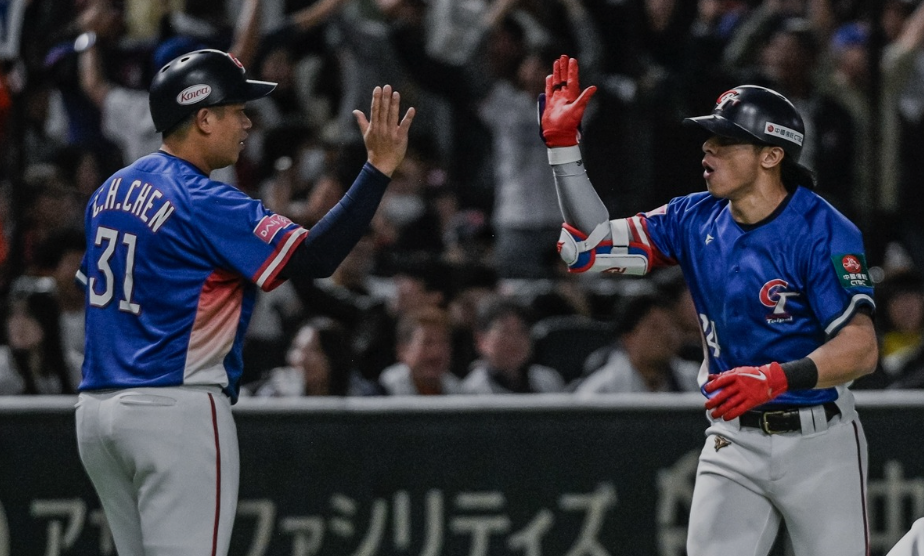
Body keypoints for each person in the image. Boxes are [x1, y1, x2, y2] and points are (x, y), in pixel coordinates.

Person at [74, 49, 414, 555]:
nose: (248, 122)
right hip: (174, 408)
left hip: (96, 413)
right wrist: (377, 171)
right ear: (203, 117)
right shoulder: (203, 199)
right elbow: (316, 257)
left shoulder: (109, 191)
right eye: (236, 110)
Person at [539, 55, 877, 555]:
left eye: (726, 140)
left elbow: (861, 349)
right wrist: (564, 151)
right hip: (733, 440)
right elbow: (589, 249)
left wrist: (774, 378)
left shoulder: (822, 230)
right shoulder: (694, 217)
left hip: (820, 440)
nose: (707, 148)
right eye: (710, 137)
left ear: (771, 155)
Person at [573, 292, 700, 394]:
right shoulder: (602, 389)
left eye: (673, 326)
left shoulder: (694, 380)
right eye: (655, 327)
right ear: (628, 338)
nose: (668, 335)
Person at [248, 317, 380, 397]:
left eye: (313, 350)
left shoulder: (359, 393)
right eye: (297, 349)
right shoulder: (276, 390)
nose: (301, 358)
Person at [460, 297, 565, 394]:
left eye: (522, 331)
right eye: (505, 332)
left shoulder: (548, 380)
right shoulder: (471, 391)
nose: (514, 340)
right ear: (481, 339)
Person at [378, 306, 464, 396]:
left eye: (443, 343)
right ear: (403, 350)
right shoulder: (383, 391)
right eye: (427, 343)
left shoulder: (458, 391)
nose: (436, 352)